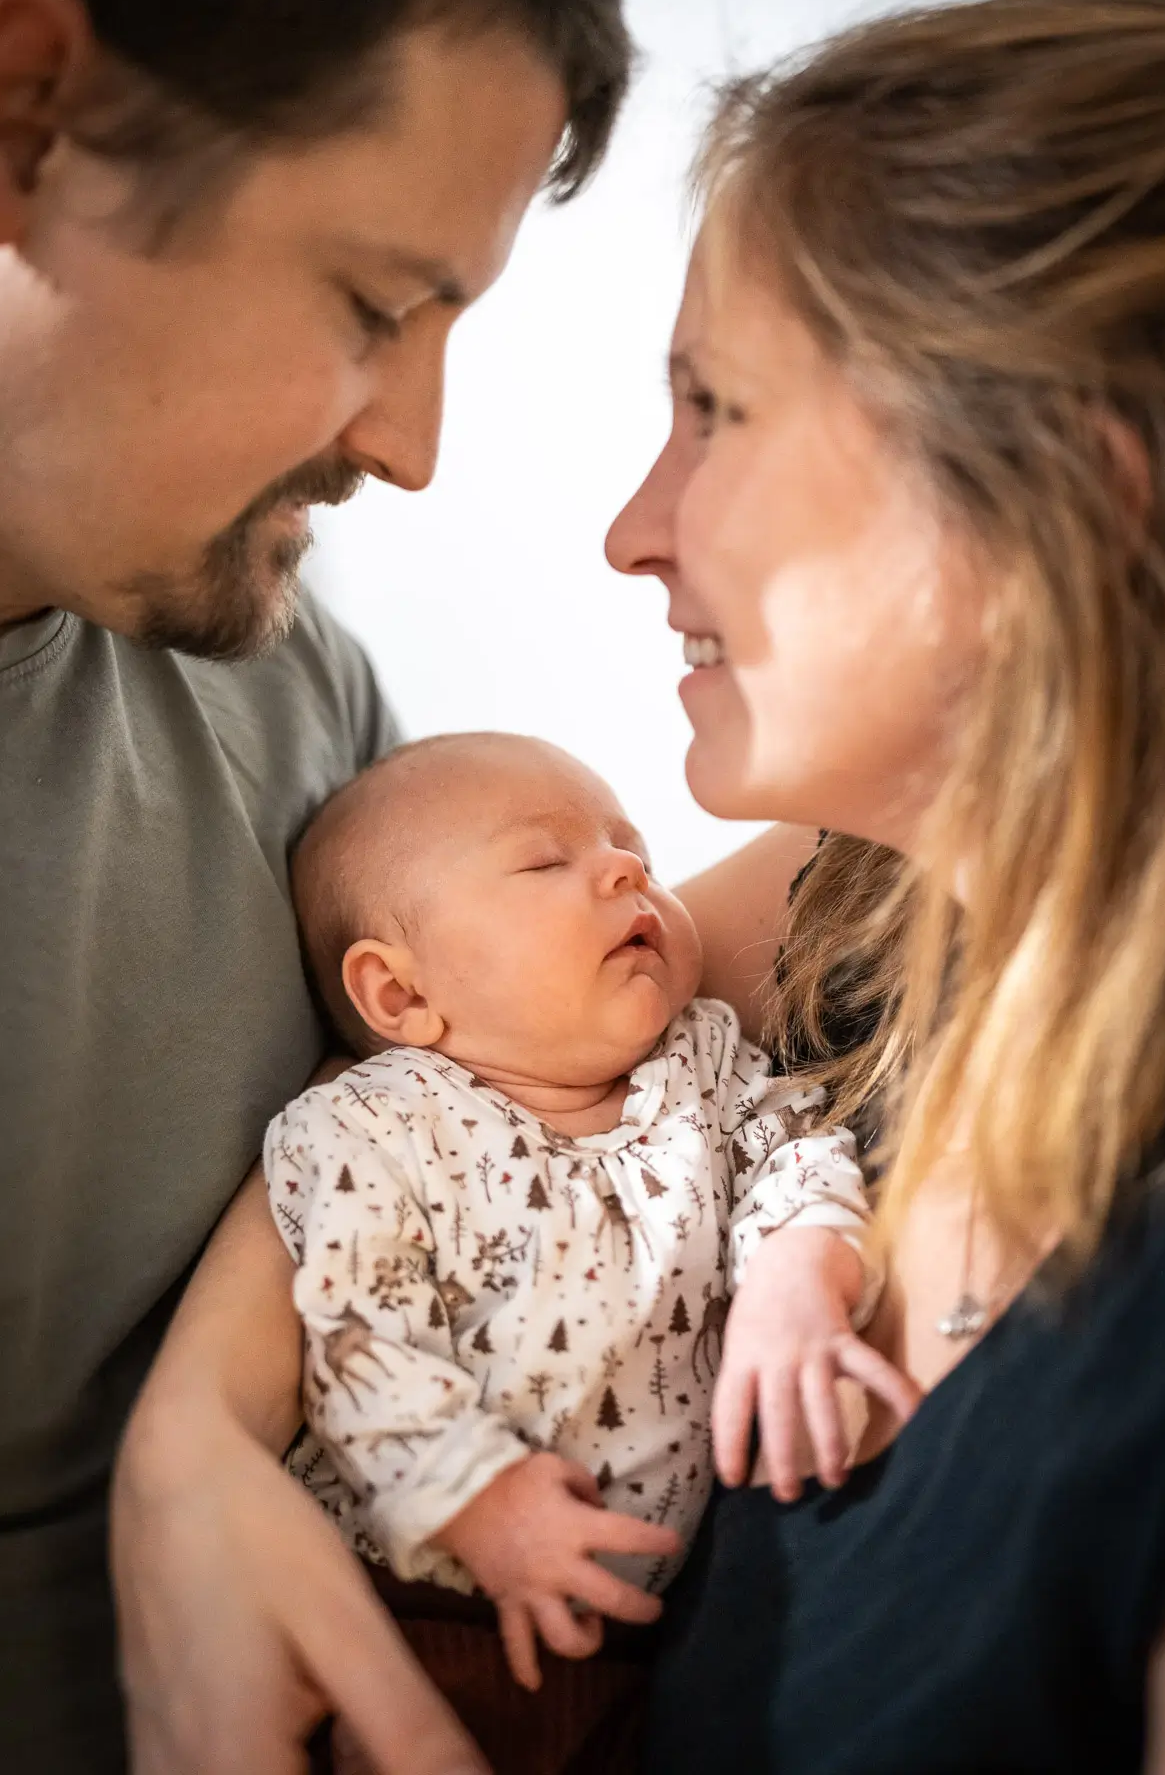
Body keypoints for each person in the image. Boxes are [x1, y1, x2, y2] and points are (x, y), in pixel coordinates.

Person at [0, 0, 634, 1772]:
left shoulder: (291, 696)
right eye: (374, 303)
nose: (411, 444)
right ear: (24, 124)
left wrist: (188, 1430)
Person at [601, 0, 1165, 1772]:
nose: (632, 528)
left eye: (714, 409)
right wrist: (188, 1461)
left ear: (1050, 518)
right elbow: (446, 991)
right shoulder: (871, 910)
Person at [262, 733, 903, 1770]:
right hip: (419, 1603)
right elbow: (355, 1343)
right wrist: (478, 1501)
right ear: (398, 996)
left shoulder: (702, 1064)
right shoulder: (369, 1128)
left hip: (634, 1633)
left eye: (632, 850)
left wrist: (801, 1267)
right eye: (542, 863)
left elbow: (796, 1148)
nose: (623, 870)